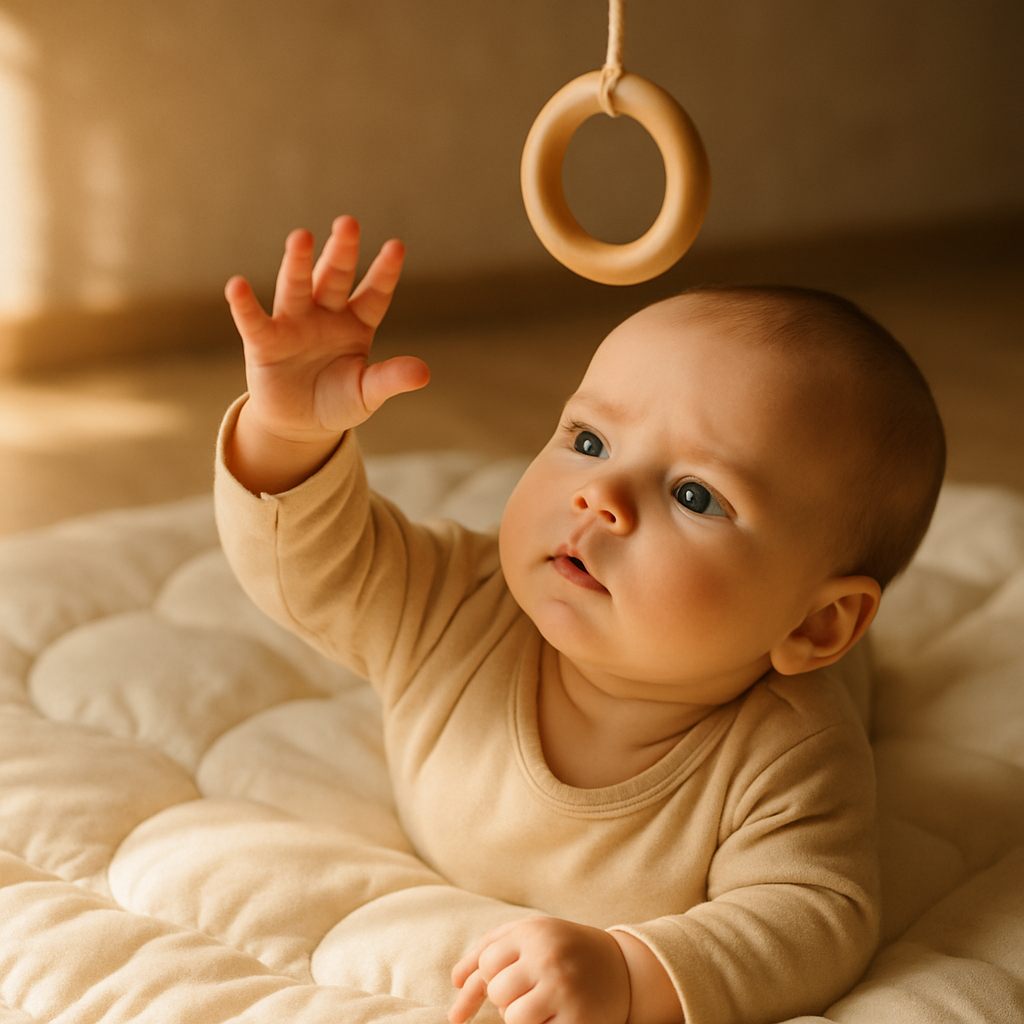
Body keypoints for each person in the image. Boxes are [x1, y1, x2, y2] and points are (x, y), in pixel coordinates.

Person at [214, 215, 945, 1024]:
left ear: (816, 627)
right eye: (590, 440)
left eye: (693, 494)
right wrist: (285, 435)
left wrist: (633, 971)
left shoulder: (791, 751)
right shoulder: (459, 601)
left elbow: (812, 919)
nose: (601, 497)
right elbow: (316, 571)